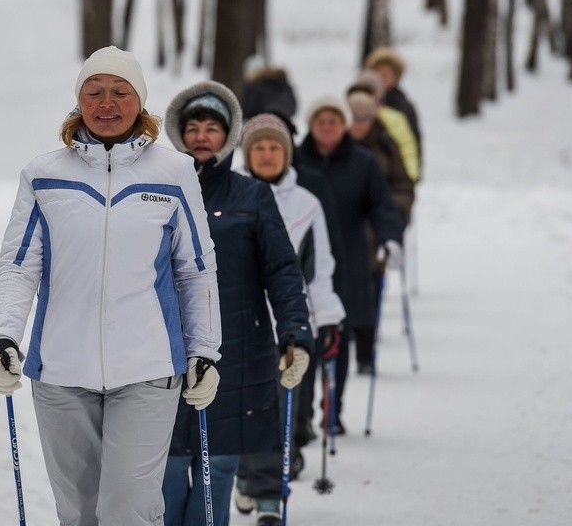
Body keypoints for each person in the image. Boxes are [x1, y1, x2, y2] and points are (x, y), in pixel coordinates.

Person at [0, 46, 223, 526]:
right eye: (94, 92)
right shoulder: (44, 175)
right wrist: (2, 338)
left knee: (128, 509)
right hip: (59, 372)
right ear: (79, 101)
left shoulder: (173, 173)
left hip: (149, 370)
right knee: (78, 512)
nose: (106, 103)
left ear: (140, 102)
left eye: (120, 92)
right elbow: (18, 267)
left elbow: (195, 270)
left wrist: (204, 351)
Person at [161, 81, 315, 526]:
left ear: (228, 136)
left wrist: (295, 334)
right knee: (168, 465)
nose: (202, 135)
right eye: (193, 127)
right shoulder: (157, 192)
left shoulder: (252, 196)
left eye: (213, 126)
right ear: (179, 133)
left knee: (220, 464)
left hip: (238, 351)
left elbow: (284, 272)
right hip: (164, 348)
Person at [233, 114, 346, 520]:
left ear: (287, 153)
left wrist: (327, 318)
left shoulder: (306, 204)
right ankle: (244, 476)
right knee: (235, 408)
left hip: (285, 324)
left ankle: (267, 495)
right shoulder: (231, 195)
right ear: (247, 153)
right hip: (235, 321)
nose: (266, 155)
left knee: (276, 407)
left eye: (274, 148)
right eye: (258, 148)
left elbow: (319, 269)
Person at [295, 96, 404, 434]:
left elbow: (382, 205)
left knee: (337, 335)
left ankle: (333, 408)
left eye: (333, 121)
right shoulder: (296, 159)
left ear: (343, 125)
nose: (327, 127)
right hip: (303, 260)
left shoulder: (364, 162)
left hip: (349, 259)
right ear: (311, 125)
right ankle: (303, 416)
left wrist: (389, 237)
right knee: (306, 337)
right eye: (320, 120)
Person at [346, 91, 415, 374]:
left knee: (371, 293)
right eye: (353, 119)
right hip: (344, 233)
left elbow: (403, 186)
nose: (358, 125)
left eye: (363, 119)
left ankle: (365, 353)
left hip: (374, 234)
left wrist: (392, 213)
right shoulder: (335, 148)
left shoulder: (386, 147)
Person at [348, 69, 420, 183]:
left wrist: (410, 175)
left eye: (368, 92)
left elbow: (406, 147)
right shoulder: (343, 116)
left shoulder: (392, 118)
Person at [365, 46, 423, 176]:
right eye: (378, 72)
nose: (382, 77)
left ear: (396, 76)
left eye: (386, 73)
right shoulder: (362, 102)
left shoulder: (403, 105)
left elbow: (413, 143)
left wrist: (413, 172)